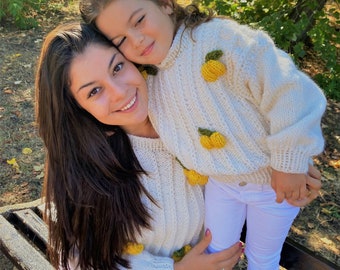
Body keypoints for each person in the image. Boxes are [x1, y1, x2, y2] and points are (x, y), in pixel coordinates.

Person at [79, 0, 327, 269]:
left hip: (271, 185)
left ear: (166, 4)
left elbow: (290, 91)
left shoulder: (220, 40)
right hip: (221, 186)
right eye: (121, 39)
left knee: (263, 259)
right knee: (215, 254)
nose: (137, 40)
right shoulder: (148, 78)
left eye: (139, 20)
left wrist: (291, 160)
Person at [35, 22, 244, 270]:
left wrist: (287, 166)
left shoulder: (192, 114)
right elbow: (79, 262)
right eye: (94, 91)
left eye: (118, 67)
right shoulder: (86, 166)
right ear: (77, 108)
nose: (120, 92)